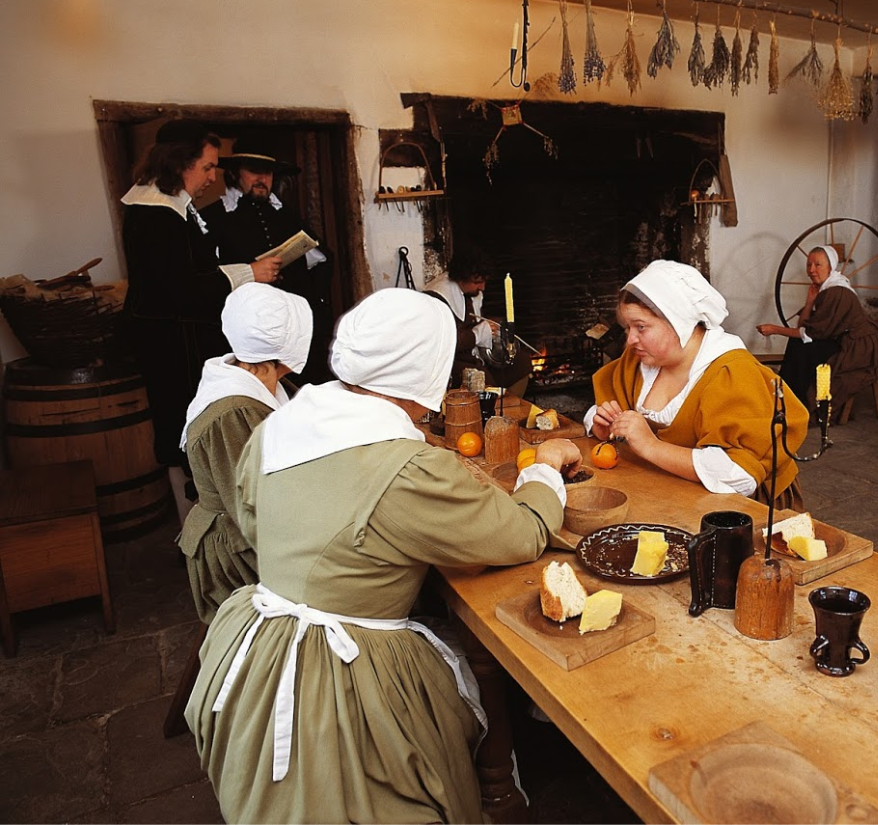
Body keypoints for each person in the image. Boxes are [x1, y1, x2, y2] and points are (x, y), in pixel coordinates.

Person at [185, 288, 581, 825]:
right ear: (428, 375)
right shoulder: (407, 469)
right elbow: (520, 533)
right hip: (341, 668)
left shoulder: (279, 426)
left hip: (257, 639)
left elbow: (257, 521)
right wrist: (546, 469)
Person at [120, 119, 281, 522]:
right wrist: (249, 273)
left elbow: (188, 271)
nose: (213, 176)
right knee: (183, 426)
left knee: (191, 424)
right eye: (208, 166)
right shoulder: (154, 214)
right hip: (172, 341)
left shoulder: (172, 208)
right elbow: (183, 288)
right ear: (179, 163)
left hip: (181, 334)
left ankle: (209, 515)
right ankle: (196, 525)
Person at [587, 260, 809, 508]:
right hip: (671, 491)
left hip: (741, 511)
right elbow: (603, 407)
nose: (630, 340)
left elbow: (738, 475)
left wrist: (651, 446)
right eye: (628, 327)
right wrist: (604, 426)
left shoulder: (731, 373)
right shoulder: (640, 361)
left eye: (641, 327)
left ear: (679, 320)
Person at [177, 283, 313, 624]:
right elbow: (253, 507)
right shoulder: (232, 412)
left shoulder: (269, 384)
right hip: (236, 551)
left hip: (259, 528)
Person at [201, 139, 333, 384]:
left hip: (293, 330)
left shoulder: (287, 214)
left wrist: (311, 303)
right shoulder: (212, 217)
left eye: (268, 172)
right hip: (247, 334)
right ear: (234, 173)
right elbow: (205, 277)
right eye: (254, 171)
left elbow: (322, 260)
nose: (263, 178)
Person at [756, 245, 878, 412]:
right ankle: (788, 399)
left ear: (830, 267)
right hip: (845, 341)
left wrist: (775, 329)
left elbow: (808, 334)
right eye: (808, 265)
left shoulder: (836, 292)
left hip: (860, 349)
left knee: (802, 348)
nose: (811, 270)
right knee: (799, 345)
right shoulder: (826, 290)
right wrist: (809, 302)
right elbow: (803, 328)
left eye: (818, 265)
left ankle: (794, 402)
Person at [423, 246, 531, 395]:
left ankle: (510, 408)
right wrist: (480, 333)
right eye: (477, 282)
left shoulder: (470, 292)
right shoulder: (437, 296)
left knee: (522, 362)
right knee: (483, 378)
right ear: (462, 276)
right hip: (451, 362)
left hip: (474, 355)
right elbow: (446, 341)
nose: (482, 287)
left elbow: (474, 321)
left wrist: (492, 326)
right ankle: (495, 411)